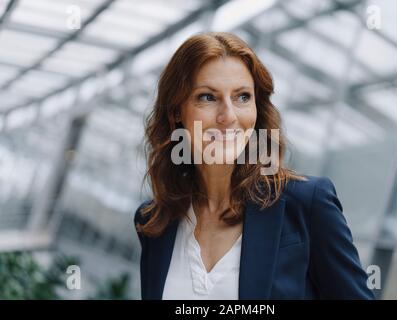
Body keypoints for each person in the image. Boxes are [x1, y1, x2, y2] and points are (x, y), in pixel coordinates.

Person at [134, 32, 374, 300]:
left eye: (243, 97)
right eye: (207, 97)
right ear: (176, 111)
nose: (228, 116)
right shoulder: (154, 222)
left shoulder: (306, 204)